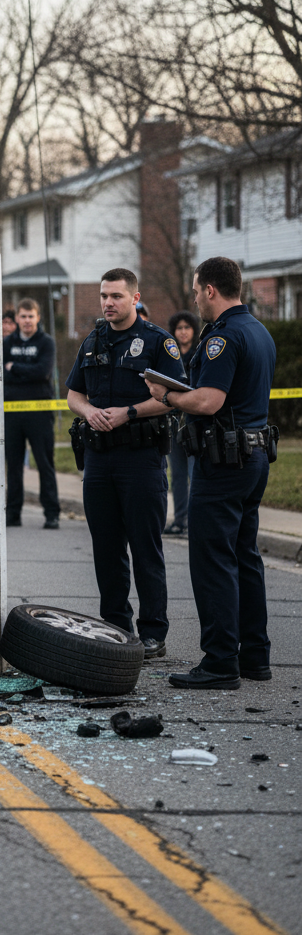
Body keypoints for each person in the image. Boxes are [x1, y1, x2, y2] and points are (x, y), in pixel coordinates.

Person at [145, 258, 278, 690]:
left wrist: (166, 396)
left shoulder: (223, 337)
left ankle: (220, 662)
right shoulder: (258, 331)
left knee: (213, 560)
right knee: (245, 557)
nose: (195, 299)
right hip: (253, 456)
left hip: (224, 463)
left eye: (196, 290)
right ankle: (254, 656)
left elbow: (209, 401)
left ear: (210, 290)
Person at [66, 269, 186, 659]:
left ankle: (153, 633)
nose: (108, 303)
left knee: (145, 549)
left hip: (141, 459)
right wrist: (88, 412)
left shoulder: (157, 342)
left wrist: (128, 412)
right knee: (107, 549)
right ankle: (116, 628)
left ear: (135, 298)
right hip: (99, 460)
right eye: (104, 296)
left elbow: (173, 397)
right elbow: (73, 394)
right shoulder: (92, 341)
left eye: (116, 296)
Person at [3, 298, 59, 529]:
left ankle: (52, 514)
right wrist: (25, 373)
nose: (27, 320)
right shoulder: (7, 343)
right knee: (13, 466)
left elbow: (43, 372)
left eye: (31, 316)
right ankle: (13, 514)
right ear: (17, 318)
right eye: (23, 316)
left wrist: (15, 368)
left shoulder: (46, 343)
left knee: (45, 463)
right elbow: (2, 374)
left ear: (38, 318)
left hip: (40, 412)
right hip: (12, 413)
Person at [163, 310, 201, 536]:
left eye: (187, 328)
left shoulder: (199, 354)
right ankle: (180, 519)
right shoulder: (170, 356)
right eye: (179, 328)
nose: (183, 332)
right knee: (177, 474)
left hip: (193, 423)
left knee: (193, 473)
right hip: (173, 421)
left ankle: (196, 521)